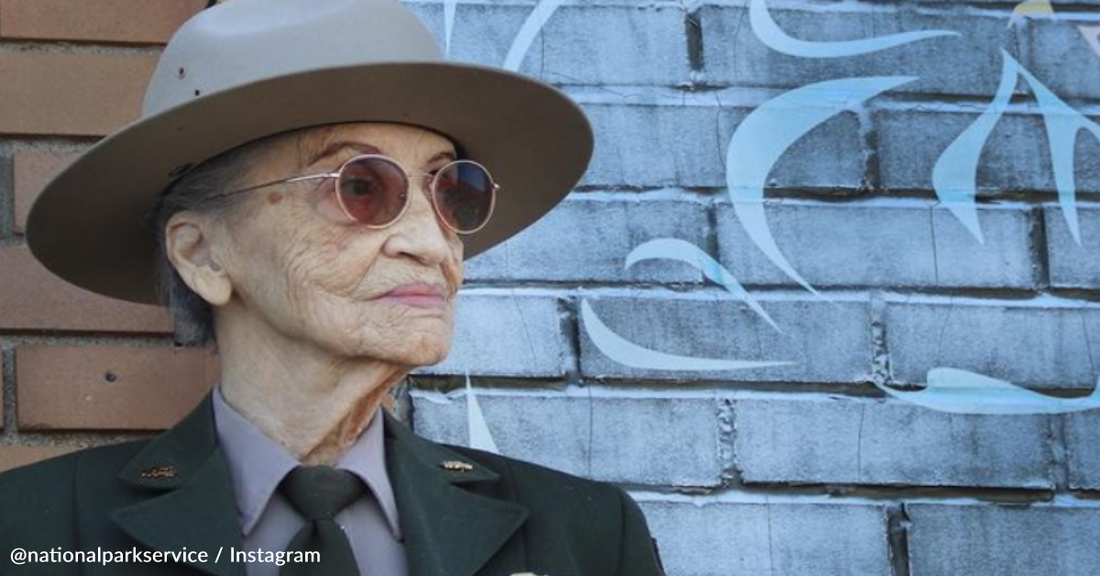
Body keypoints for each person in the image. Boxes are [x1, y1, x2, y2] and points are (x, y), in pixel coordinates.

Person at [0, 0, 667, 575]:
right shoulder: (33, 532)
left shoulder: (583, 538)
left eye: (451, 194)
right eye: (358, 187)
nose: (433, 245)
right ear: (203, 254)